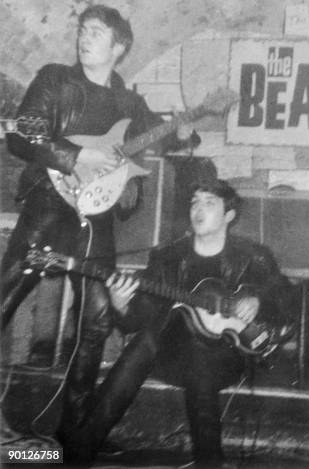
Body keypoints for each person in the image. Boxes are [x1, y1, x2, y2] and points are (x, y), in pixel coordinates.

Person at [1, 3, 200, 450]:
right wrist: (76, 156)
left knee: (95, 321)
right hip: (50, 206)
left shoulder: (130, 103)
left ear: (119, 47)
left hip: (96, 219)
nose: (84, 37)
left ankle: (73, 434)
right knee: (4, 300)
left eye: (95, 32)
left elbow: (160, 138)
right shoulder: (56, 79)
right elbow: (21, 134)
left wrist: (186, 132)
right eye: (83, 29)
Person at [60, 178, 296, 467]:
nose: (198, 209)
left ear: (228, 216)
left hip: (229, 355)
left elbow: (286, 297)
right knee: (144, 342)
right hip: (171, 354)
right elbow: (139, 318)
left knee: (201, 358)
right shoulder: (168, 256)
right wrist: (120, 303)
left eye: (209, 203)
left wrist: (257, 299)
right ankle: (80, 451)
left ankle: (209, 462)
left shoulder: (253, 255)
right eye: (194, 202)